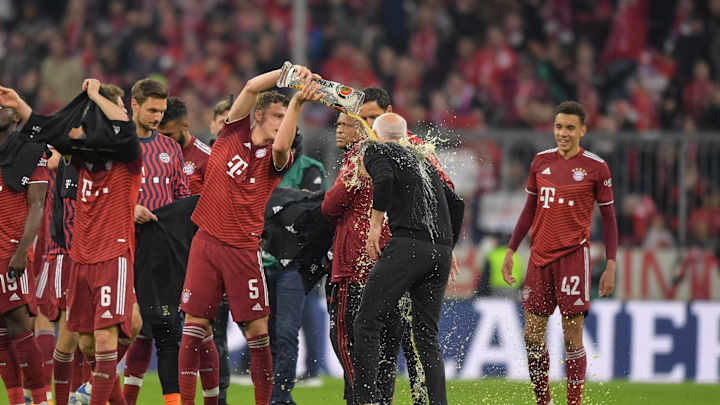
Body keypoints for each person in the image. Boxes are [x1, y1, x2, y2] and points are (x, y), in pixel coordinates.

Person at [177, 64, 322, 405]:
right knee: (194, 328)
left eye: (286, 116)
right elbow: (252, 84)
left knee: (257, 333)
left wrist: (298, 103)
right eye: (277, 115)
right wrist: (288, 73)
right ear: (258, 116)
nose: (281, 121)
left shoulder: (277, 159)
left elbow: (282, 145)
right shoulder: (232, 133)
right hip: (206, 242)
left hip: (243, 250)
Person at [502, 101, 618, 405]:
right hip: (538, 258)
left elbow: (609, 219)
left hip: (573, 258)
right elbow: (529, 210)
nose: (562, 133)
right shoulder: (540, 162)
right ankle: (544, 401)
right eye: (558, 127)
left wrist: (611, 264)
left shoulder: (596, 167)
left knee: (572, 337)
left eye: (569, 127)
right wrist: (511, 249)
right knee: (532, 336)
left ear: (582, 130)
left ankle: (573, 402)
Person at [353, 113, 463, 405]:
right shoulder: (423, 160)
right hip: (439, 253)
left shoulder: (376, 149)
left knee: (366, 321)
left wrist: (375, 226)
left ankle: (367, 400)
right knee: (426, 337)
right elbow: (456, 202)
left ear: (376, 134)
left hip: (408, 246)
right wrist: (448, 245)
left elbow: (385, 178)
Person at [321, 112, 399, 405]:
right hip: (389, 267)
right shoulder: (399, 157)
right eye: (337, 124)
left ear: (362, 131)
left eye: (345, 125)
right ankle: (378, 399)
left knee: (343, 338)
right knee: (383, 346)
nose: (338, 130)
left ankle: (366, 400)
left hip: (354, 265)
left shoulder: (359, 158)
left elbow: (330, 205)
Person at [123, 79, 190, 405]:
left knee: (166, 330)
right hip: (122, 249)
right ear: (133, 104)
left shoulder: (170, 149)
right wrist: (128, 208)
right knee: (121, 330)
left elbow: (181, 200)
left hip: (161, 253)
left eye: (161, 111)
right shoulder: (117, 146)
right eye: (151, 110)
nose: (156, 117)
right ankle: (94, 392)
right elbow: (96, 197)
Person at [262, 129, 327, 405]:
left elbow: (312, 208)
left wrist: (275, 199)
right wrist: (291, 198)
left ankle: (280, 397)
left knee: (287, 332)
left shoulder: (312, 168)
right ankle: (271, 396)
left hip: (295, 263)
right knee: (265, 337)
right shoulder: (262, 164)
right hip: (261, 260)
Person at [0, 91, 51, 405]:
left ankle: (40, 399)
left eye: (4, 107)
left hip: (10, 250)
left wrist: (21, 252)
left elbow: (37, 206)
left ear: (16, 116)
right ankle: (16, 399)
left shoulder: (31, 152)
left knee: (19, 324)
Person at [159, 97, 212, 195]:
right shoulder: (153, 154)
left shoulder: (208, 158)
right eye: (159, 135)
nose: (163, 141)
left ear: (185, 126)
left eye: (169, 135)